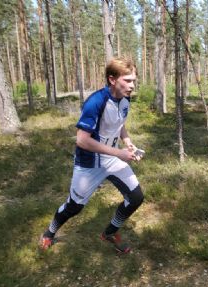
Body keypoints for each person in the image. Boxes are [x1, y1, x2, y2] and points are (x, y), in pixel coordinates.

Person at [40, 57, 144, 254]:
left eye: (134, 81)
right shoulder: (95, 102)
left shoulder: (125, 98)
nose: (132, 86)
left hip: (113, 157)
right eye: (128, 80)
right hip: (89, 162)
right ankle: (49, 232)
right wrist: (119, 153)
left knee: (136, 197)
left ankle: (109, 233)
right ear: (112, 79)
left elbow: (120, 123)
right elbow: (82, 140)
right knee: (74, 207)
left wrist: (128, 142)